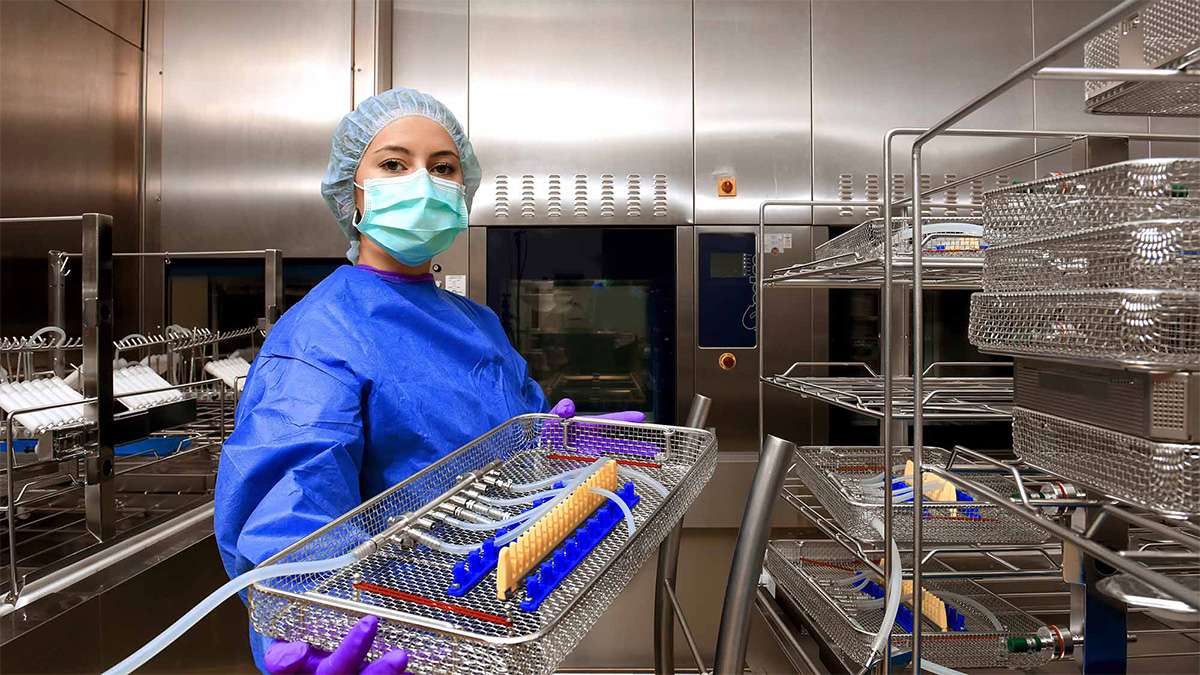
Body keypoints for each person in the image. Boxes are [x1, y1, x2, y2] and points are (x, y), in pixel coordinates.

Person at [213, 88, 642, 674]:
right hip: (392, 638)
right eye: (394, 164)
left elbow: (512, 456)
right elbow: (290, 516)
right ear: (353, 191)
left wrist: (564, 457)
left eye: (443, 168)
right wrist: (314, 630)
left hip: (496, 621)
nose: (423, 182)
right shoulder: (320, 335)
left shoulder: (477, 325)